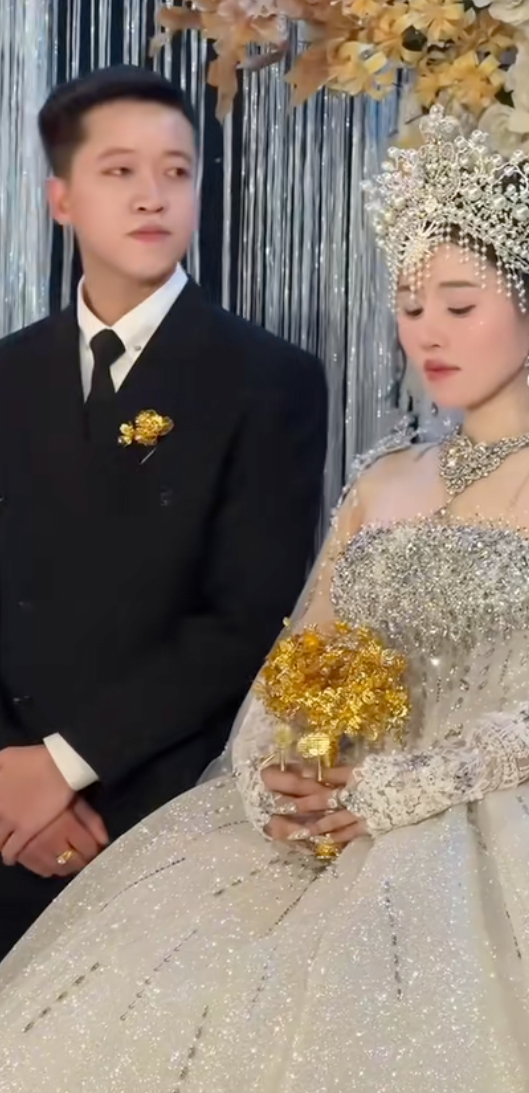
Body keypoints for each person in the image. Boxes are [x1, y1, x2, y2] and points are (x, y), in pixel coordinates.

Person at [1, 106, 529, 1092]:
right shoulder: (384, 478)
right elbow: (294, 662)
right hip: (327, 824)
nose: (426, 331)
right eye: (410, 304)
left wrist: (402, 789)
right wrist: (275, 776)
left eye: (459, 304)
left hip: (520, 840)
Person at [0, 64, 327, 958]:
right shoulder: (8, 374)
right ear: (62, 199)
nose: (153, 195)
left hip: (163, 809)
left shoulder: (269, 380)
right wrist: (15, 779)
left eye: (175, 171)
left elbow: (245, 619)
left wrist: (66, 765)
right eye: (120, 171)